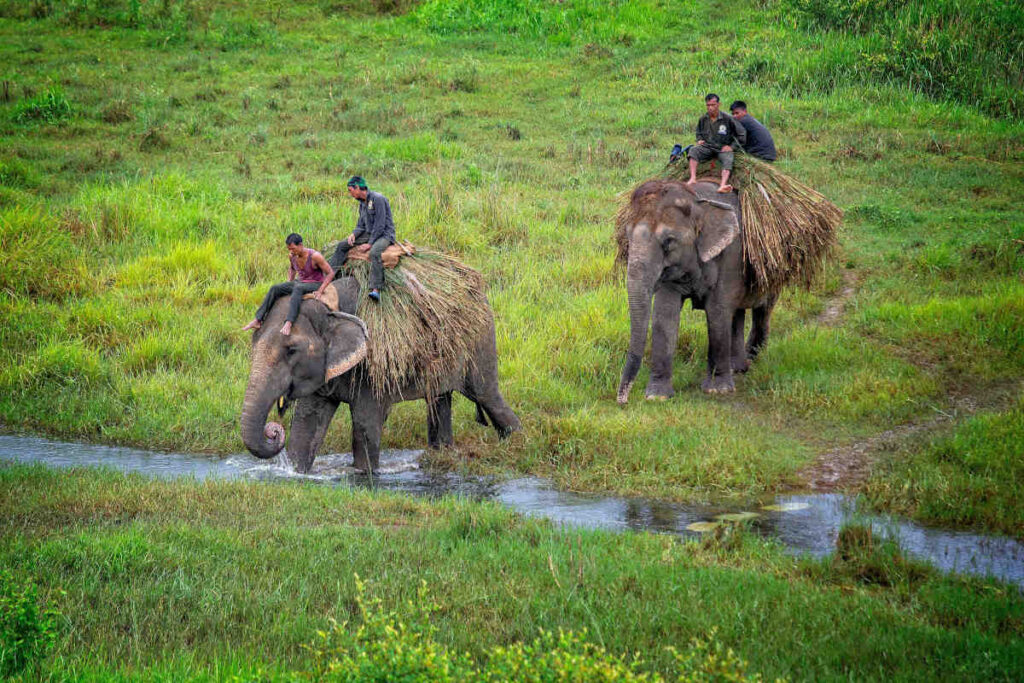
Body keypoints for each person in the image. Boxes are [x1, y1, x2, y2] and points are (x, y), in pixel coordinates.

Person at [242, 233, 335, 336]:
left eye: (293, 249)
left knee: (298, 288)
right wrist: (289, 282)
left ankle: (289, 322)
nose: (291, 251)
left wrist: (320, 290)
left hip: (315, 283)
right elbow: (292, 269)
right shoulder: (292, 256)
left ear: (300, 245)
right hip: (300, 281)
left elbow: (330, 273)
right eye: (289, 249)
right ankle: (258, 319)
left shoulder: (315, 256)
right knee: (275, 288)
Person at [331, 175, 395, 302]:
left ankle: (376, 289)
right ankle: (330, 274)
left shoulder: (378, 199)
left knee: (375, 253)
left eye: (351, 190)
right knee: (342, 245)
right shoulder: (362, 203)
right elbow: (361, 224)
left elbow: (380, 225)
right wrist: (354, 234)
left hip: (384, 234)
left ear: (358, 187)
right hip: (369, 232)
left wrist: (370, 243)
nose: (350, 193)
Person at [686, 93, 746, 193]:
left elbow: (742, 134)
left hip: (722, 148)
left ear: (718, 104)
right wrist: (699, 139)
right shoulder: (703, 119)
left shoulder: (728, 118)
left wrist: (732, 147)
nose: (710, 108)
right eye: (708, 105)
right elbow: (699, 132)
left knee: (728, 158)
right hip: (708, 147)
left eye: (713, 105)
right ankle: (693, 178)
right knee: (693, 150)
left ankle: (722, 184)